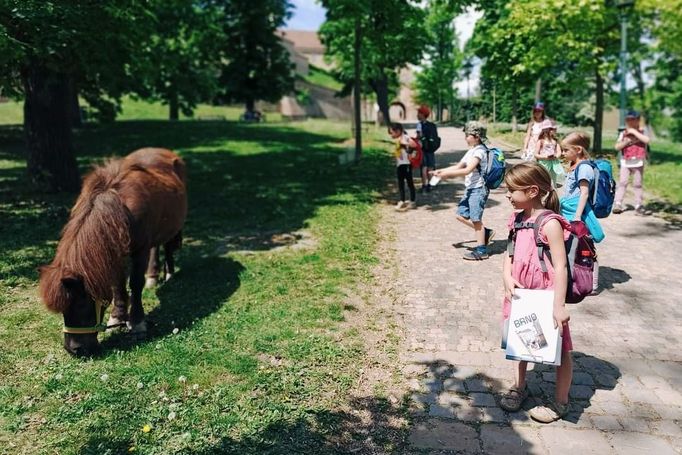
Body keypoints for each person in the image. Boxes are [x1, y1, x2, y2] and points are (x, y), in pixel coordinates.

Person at [499, 162, 573, 423]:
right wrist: (507, 276)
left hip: (545, 293)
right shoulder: (517, 218)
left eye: (511, 190)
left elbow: (561, 266)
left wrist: (558, 305)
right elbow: (509, 252)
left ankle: (561, 401)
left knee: (560, 348)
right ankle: (519, 387)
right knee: (520, 339)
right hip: (521, 291)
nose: (507, 195)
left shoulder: (549, 223)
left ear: (532, 191)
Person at [431, 121, 494, 260]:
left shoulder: (480, 151)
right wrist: (441, 171)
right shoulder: (472, 150)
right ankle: (485, 233)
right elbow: (459, 166)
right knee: (460, 215)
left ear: (476, 136)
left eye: (467, 135)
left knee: (476, 220)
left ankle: (482, 250)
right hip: (470, 189)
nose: (465, 137)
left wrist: (445, 176)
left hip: (478, 189)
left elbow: (467, 170)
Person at [559, 132, 605, 243]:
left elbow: (584, 193)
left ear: (578, 150)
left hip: (575, 210)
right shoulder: (574, 165)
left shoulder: (584, 168)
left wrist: (577, 216)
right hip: (568, 208)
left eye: (566, 150)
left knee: (575, 240)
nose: (563, 153)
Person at [613, 110, 651, 215]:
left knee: (637, 183)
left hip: (638, 162)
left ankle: (638, 204)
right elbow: (617, 147)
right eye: (628, 120)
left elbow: (647, 140)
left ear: (638, 120)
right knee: (623, 182)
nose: (630, 122)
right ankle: (618, 203)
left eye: (632, 119)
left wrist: (634, 132)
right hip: (626, 162)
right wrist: (626, 141)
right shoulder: (624, 133)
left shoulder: (643, 131)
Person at [388, 122, 417, 211]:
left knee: (409, 183)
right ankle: (402, 200)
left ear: (398, 131)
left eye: (392, 133)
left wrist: (404, 144)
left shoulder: (406, 137)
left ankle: (412, 201)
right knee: (400, 183)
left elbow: (414, 145)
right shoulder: (398, 139)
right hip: (400, 164)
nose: (391, 135)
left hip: (407, 164)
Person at [534, 119, 564, 187]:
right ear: (547, 130)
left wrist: (556, 156)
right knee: (543, 178)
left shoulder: (555, 141)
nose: (555, 131)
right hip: (544, 163)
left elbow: (559, 151)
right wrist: (545, 156)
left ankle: (552, 191)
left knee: (553, 179)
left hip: (554, 163)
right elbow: (536, 154)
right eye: (553, 129)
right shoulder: (541, 141)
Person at [416, 105, 439, 193]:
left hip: (423, 149)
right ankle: (431, 185)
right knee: (430, 167)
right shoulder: (432, 125)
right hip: (431, 148)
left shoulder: (419, 125)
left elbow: (419, 136)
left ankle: (424, 185)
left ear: (422, 114)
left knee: (424, 167)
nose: (417, 115)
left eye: (419, 113)